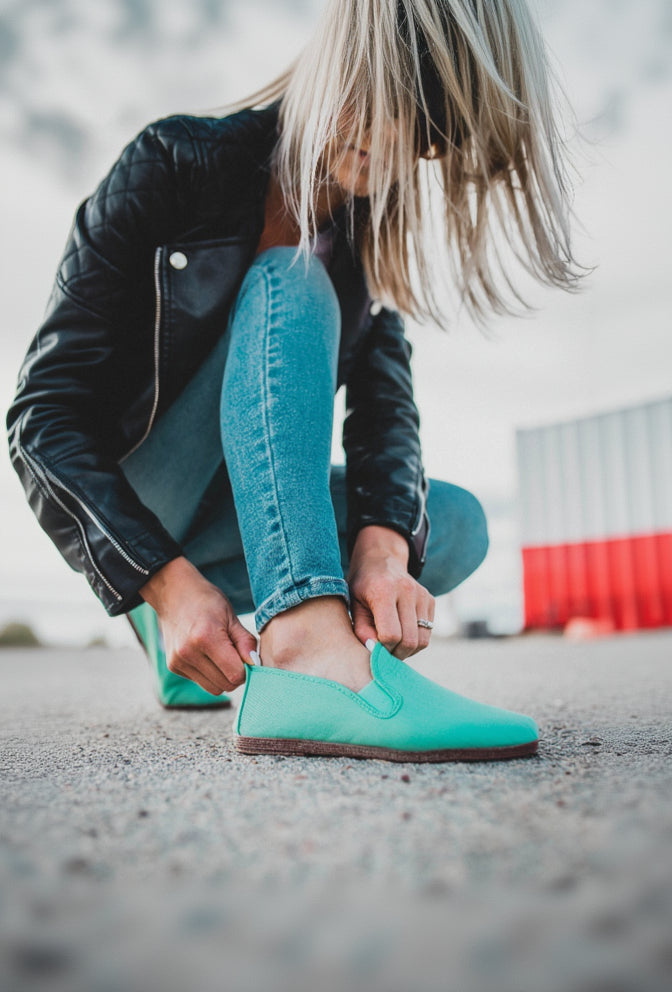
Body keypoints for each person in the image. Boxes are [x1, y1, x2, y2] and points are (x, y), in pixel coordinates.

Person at [7, 0, 581, 762]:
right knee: (291, 277)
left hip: (239, 516)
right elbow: (39, 418)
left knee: (455, 523)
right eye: (370, 97)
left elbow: (387, 425)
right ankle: (306, 649)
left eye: (417, 125)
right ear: (330, 63)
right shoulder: (174, 163)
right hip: (142, 488)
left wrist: (381, 550)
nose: (381, 138)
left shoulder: (366, 262)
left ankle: (201, 650)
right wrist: (165, 585)